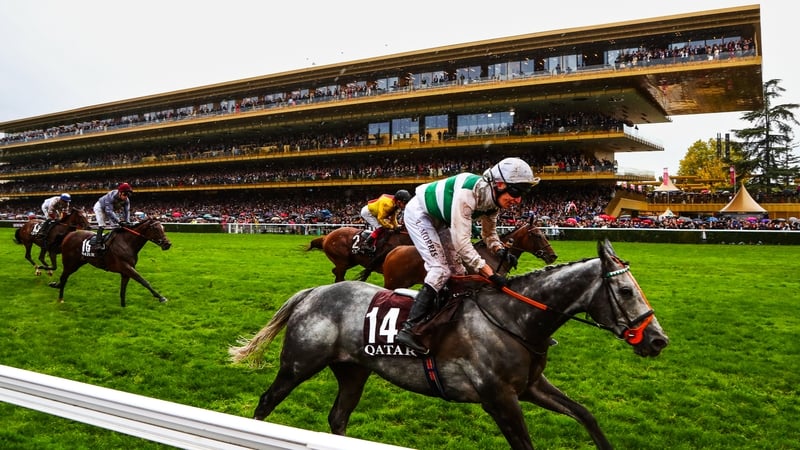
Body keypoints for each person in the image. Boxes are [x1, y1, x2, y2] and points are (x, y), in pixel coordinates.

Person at [395, 157, 540, 354]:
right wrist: (490, 274)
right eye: (516, 192)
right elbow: (462, 245)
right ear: (499, 184)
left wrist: (501, 251)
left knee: (459, 271)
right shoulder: (468, 193)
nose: (518, 200)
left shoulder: (493, 201)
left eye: (523, 193)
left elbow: (489, 234)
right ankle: (409, 329)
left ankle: (443, 316)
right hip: (420, 215)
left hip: (441, 221)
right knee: (439, 270)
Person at [357, 189, 412, 254]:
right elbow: (381, 219)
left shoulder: (395, 205)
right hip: (368, 212)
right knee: (381, 227)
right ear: (399, 201)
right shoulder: (388, 204)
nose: (406, 205)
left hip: (376, 212)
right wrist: (392, 227)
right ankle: (366, 244)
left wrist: (396, 226)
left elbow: (393, 218)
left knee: (387, 227)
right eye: (405, 203)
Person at [93, 182, 133, 250]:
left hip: (110, 210)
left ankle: (114, 242)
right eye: (124, 194)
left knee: (115, 226)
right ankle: (97, 244)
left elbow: (127, 211)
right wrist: (119, 221)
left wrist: (127, 222)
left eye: (128, 194)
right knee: (102, 225)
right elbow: (109, 211)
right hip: (100, 207)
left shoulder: (126, 200)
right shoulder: (111, 196)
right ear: (119, 192)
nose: (126, 196)